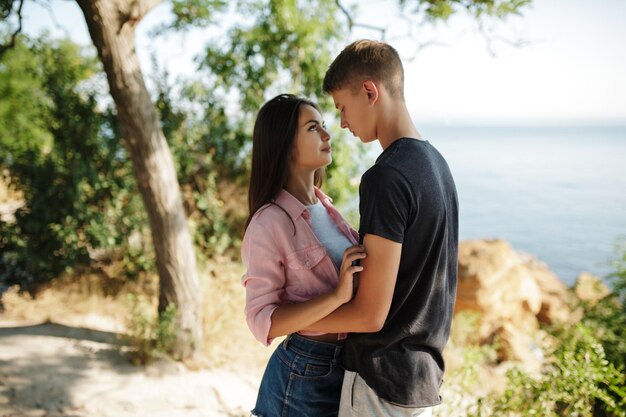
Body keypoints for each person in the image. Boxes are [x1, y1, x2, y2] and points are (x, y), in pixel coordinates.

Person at [302, 39, 459, 417]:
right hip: (420, 383)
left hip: (379, 384)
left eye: (342, 107)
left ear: (370, 91)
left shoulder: (386, 177)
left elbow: (370, 315)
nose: (341, 123)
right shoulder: (438, 165)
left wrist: (294, 322)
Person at [241, 93, 367, 417]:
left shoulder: (326, 208)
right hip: (304, 373)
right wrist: (337, 295)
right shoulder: (268, 222)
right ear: (285, 145)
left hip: (345, 366)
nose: (327, 134)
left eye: (324, 126)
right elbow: (261, 321)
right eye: (313, 128)